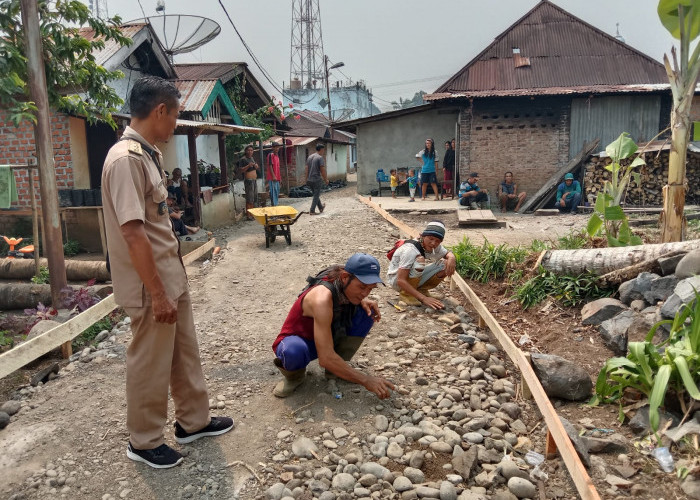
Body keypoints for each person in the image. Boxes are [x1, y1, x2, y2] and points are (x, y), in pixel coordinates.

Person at [101, 76, 233, 469]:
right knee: (150, 360)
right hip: (150, 284)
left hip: (169, 276)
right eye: (175, 115)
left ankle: (194, 421)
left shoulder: (147, 153)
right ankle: (143, 441)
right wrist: (156, 292)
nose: (176, 124)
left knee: (183, 352)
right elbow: (132, 233)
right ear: (160, 111)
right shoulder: (125, 159)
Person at [271, 253, 395, 399]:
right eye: (362, 287)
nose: (365, 293)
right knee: (293, 351)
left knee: (367, 312)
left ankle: (337, 370)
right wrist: (366, 380)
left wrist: (361, 298)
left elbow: (356, 289)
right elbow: (325, 358)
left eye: (370, 289)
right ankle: (295, 376)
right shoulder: (322, 299)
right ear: (345, 277)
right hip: (303, 340)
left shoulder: (343, 278)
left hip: (327, 334)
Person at [386, 221, 457, 310]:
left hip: (407, 278)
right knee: (420, 261)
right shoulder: (410, 250)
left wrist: (452, 258)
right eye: (430, 238)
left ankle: (421, 290)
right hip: (397, 281)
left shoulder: (433, 245)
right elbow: (400, 280)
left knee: (445, 264)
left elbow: (448, 254)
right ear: (422, 236)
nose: (433, 243)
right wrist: (424, 299)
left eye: (437, 241)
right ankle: (406, 295)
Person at [305, 143, 329, 215]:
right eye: (323, 150)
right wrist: (326, 179)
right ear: (321, 149)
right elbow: (322, 169)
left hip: (309, 179)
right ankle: (312, 210)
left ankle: (321, 208)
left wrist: (306, 179)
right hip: (316, 179)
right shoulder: (320, 157)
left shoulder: (310, 157)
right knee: (316, 195)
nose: (323, 151)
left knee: (316, 194)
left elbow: (306, 168)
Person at [238, 145, 259, 219]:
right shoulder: (243, 159)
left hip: (254, 180)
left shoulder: (252, 158)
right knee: (249, 198)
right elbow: (241, 170)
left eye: (251, 150)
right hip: (248, 181)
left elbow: (256, 168)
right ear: (245, 151)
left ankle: (252, 214)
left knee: (254, 198)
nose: (250, 152)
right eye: (248, 150)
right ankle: (248, 215)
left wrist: (256, 166)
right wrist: (248, 166)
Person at [266, 142, 282, 207]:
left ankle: (275, 206)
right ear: (272, 147)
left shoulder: (277, 156)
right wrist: (273, 176)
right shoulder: (271, 155)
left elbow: (278, 168)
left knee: (277, 192)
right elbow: (270, 166)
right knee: (273, 193)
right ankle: (273, 206)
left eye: (278, 147)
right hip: (272, 177)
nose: (277, 148)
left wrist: (280, 178)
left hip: (277, 177)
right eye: (275, 147)